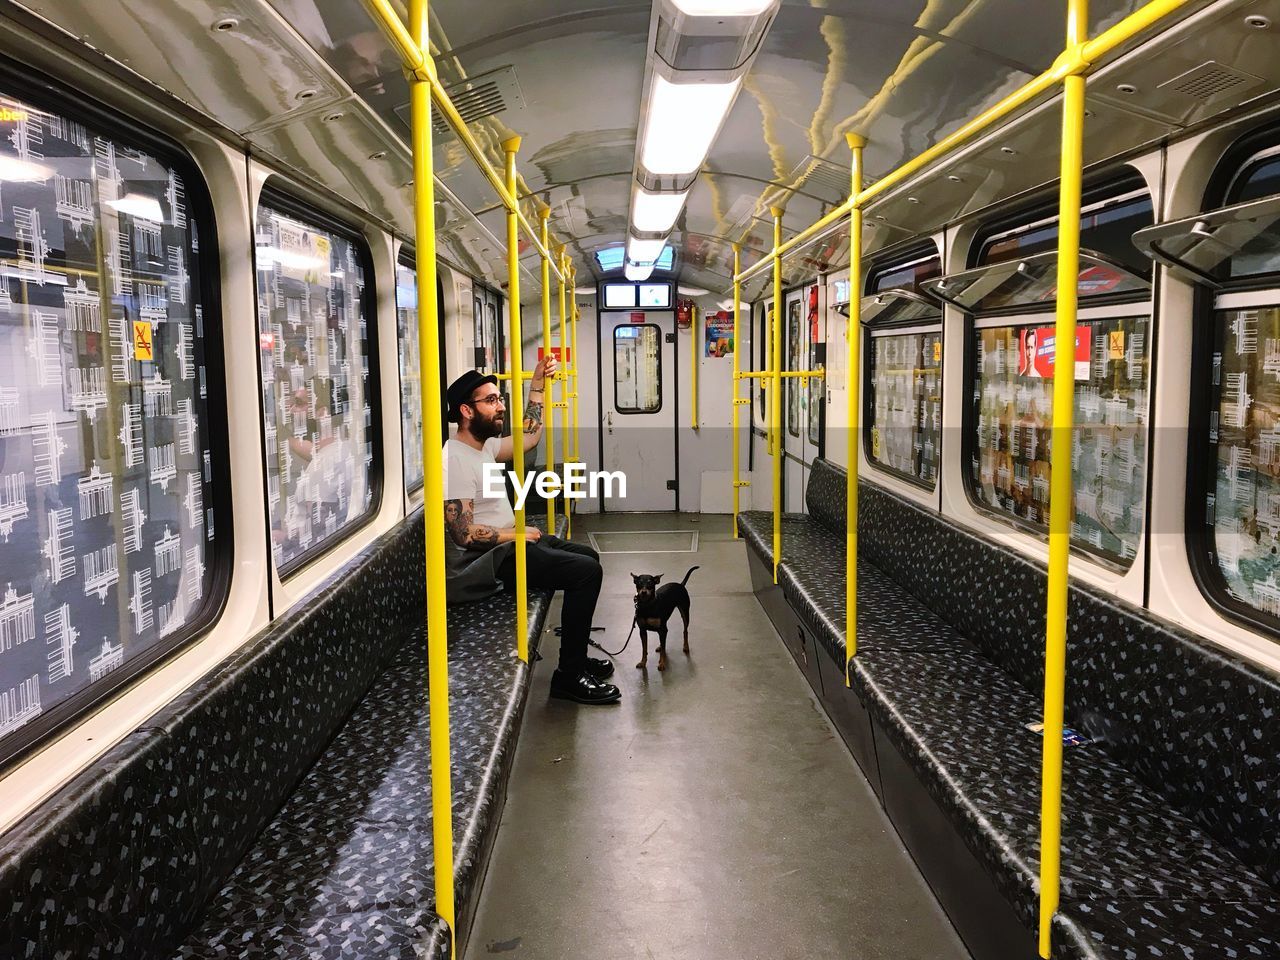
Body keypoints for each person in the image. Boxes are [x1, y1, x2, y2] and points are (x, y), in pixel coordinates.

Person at [442, 356, 621, 706]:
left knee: (587, 556)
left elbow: (528, 435)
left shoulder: (484, 447)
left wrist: (537, 384)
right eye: (491, 400)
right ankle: (568, 677)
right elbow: (463, 535)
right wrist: (518, 536)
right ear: (466, 410)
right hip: (485, 562)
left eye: (500, 399)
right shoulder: (455, 460)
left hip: (506, 545)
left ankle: (576, 656)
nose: (500, 406)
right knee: (585, 573)